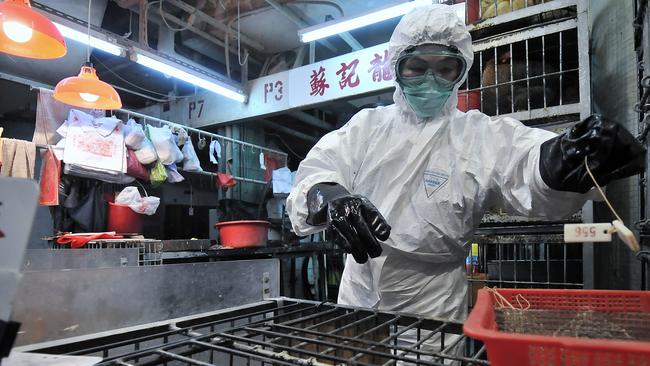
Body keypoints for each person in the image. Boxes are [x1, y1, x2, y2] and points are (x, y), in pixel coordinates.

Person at [286, 3, 644, 358]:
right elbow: (318, 172)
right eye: (417, 67)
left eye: (446, 68)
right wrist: (329, 196)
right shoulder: (367, 128)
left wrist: (562, 157)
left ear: (461, 71)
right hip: (359, 295)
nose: (431, 80)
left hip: (432, 304)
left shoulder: (477, 136)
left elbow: (522, 161)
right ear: (397, 68)